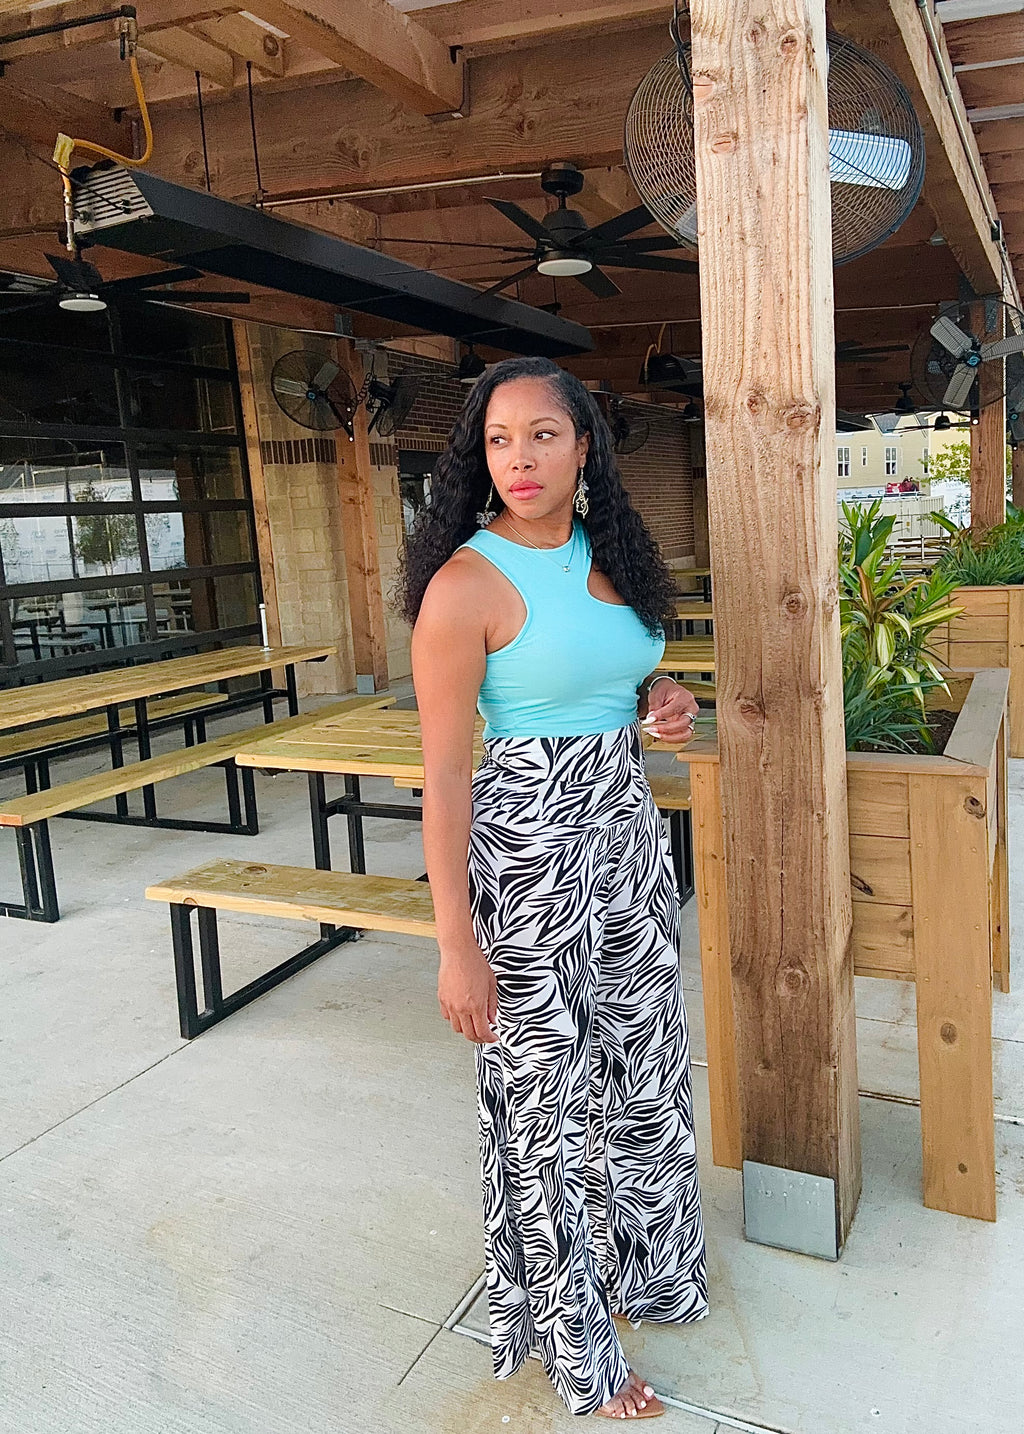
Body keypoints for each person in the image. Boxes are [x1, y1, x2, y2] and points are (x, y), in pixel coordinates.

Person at [398, 356, 709, 1419]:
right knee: (548, 1111)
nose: (519, 458)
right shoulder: (462, 586)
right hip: (526, 864)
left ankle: (645, 1276)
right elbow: (442, 777)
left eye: (541, 434)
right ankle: (579, 1347)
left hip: (626, 845)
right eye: (497, 440)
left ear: (584, 446)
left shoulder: (615, 554)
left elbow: (627, 678)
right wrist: (454, 943)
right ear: (477, 458)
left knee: (642, 1082)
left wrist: (662, 699)